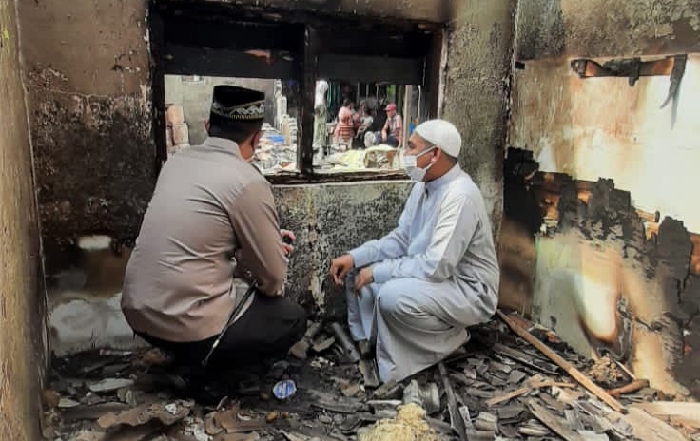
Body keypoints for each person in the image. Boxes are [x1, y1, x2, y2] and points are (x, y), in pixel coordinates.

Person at [121, 86, 307, 392]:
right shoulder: (248, 180)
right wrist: (267, 250)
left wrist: (255, 243)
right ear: (258, 139)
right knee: (291, 318)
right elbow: (273, 280)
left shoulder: (176, 163)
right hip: (187, 322)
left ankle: (184, 358)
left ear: (208, 126)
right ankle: (207, 378)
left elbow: (202, 238)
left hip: (139, 312)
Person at [329, 119, 499, 384]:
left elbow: (436, 266)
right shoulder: (424, 185)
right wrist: (355, 257)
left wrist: (379, 272)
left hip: (466, 289)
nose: (405, 153)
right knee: (358, 270)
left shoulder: (460, 196)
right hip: (434, 279)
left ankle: (452, 337)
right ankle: (369, 343)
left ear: (435, 154)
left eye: (411, 147)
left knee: (391, 295)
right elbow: (400, 239)